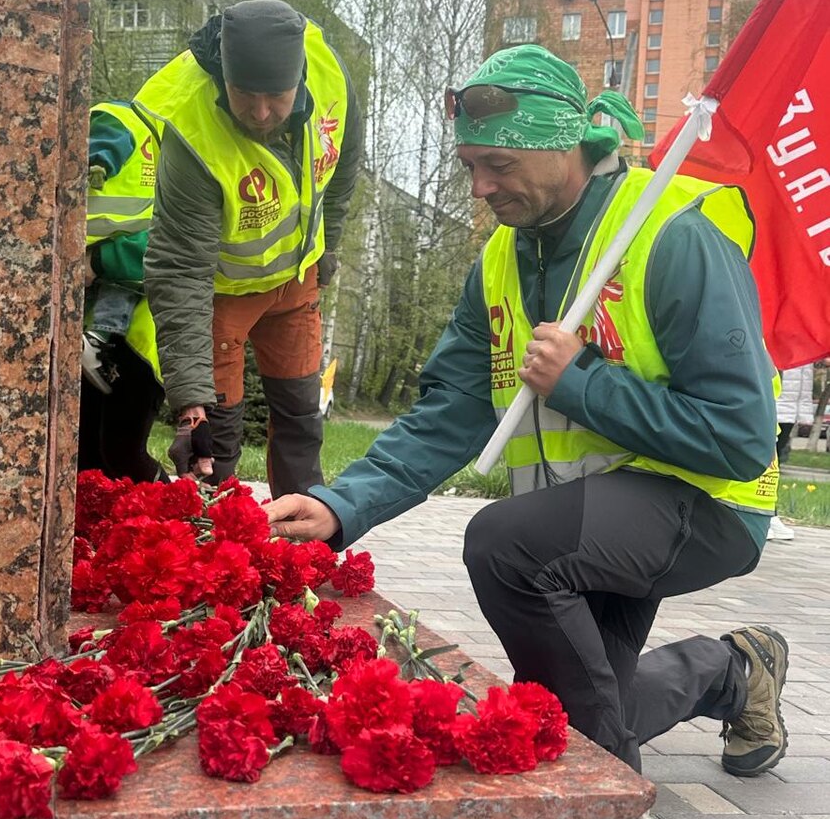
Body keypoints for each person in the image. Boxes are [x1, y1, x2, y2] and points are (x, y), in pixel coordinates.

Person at [266, 43, 789, 779]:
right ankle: (732, 669)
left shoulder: (672, 236)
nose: (480, 187)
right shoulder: (502, 261)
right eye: (470, 167)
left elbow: (738, 437)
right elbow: (452, 410)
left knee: (505, 546)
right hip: (586, 524)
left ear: (562, 147)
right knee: (560, 708)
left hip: (708, 504)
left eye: (499, 166)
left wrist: (581, 384)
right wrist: (341, 506)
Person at [136, 0, 361, 494]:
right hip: (223, 295)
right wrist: (190, 405)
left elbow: (342, 165)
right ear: (224, 79)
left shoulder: (328, 76)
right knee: (215, 440)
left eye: (276, 97)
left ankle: (301, 554)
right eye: (244, 95)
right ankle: (219, 557)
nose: (261, 113)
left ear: (299, 78)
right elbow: (179, 267)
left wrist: (329, 247)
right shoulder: (191, 132)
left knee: (302, 419)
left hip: (296, 279)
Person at [78, 102, 168, 484]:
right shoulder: (126, 121)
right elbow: (105, 141)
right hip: (90, 326)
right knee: (86, 457)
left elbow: (173, 252)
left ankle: (187, 528)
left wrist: (98, 260)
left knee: (121, 453)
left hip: (138, 345)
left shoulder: (185, 160)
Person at [769, 363, 815, 540]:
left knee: (776, 459)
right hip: (778, 402)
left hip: (790, 405)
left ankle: (771, 513)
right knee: (767, 459)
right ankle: (766, 514)